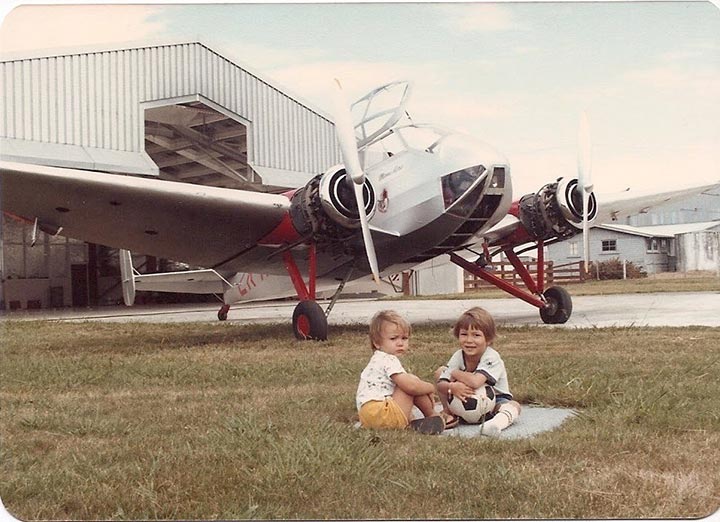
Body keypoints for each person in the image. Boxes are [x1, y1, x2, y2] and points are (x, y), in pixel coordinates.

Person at [435, 307, 521, 437]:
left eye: (476, 335)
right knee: (439, 372)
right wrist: (451, 387)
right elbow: (440, 384)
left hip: (495, 400)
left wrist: (454, 373)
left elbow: (476, 382)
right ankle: (449, 413)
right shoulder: (458, 355)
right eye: (464, 334)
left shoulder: (492, 357)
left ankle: (497, 423)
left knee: (514, 405)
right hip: (463, 398)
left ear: (488, 339)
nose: (469, 340)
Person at [356, 310, 445, 434]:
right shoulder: (388, 359)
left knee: (407, 382)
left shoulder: (377, 359)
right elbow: (411, 387)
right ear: (377, 343)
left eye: (404, 338)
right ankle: (431, 415)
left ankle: (407, 421)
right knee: (411, 383)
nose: (400, 343)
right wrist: (430, 388)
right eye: (393, 338)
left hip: (367, 416)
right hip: (381, 413)